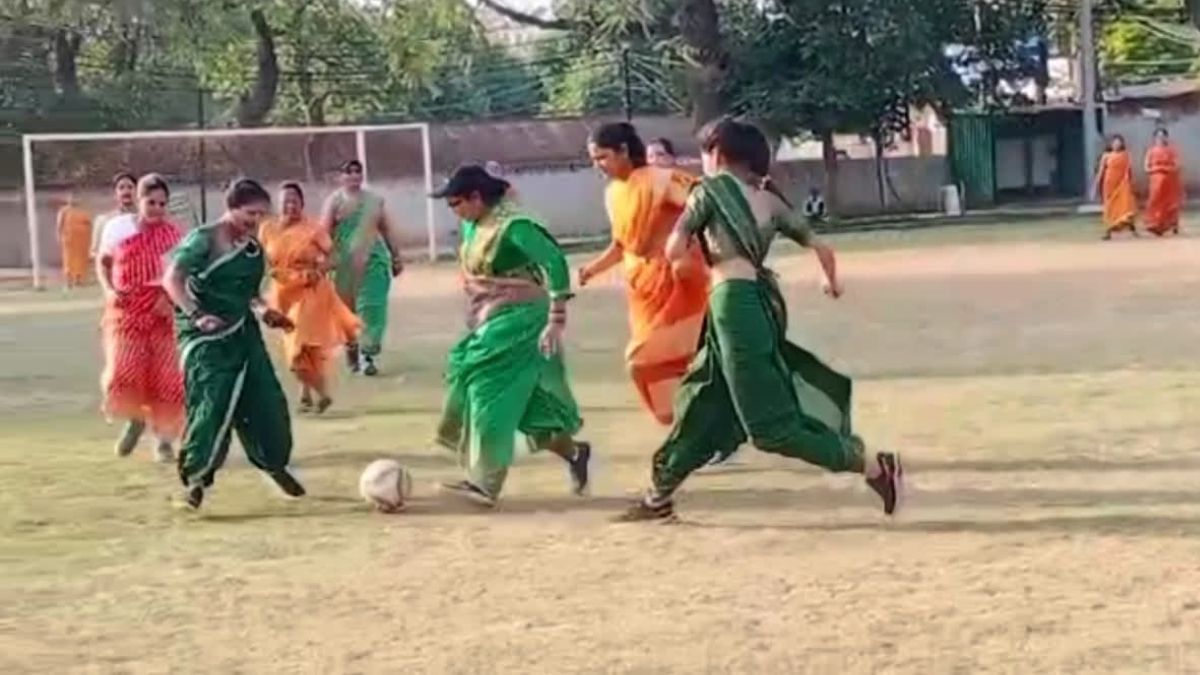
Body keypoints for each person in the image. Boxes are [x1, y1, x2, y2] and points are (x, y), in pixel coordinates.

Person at [616, 119, 903, 523]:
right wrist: (830, 283)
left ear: (716, 153)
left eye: (703, 153)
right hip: (754, 305)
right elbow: (823, 248)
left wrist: (683, 271)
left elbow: (674, 246)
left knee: (770, 429)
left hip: (732, 307)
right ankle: (658, 495)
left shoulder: (710, 191)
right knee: (707, 401)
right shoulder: (769, 200)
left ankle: (873, 465)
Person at [431, 165, 591, 508]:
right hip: (493, 315)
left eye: (456, 202)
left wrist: (556, 316)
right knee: (530, 408)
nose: (452, 210)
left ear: (476, 197)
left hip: (522, 319)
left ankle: (485, 482)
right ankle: (575, 453)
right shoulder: (473, 222)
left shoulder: (514, 226)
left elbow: (554, 261)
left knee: (486, 387)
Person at [163, 178, 304, 511]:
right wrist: (197, 314)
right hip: (206, 340)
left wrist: (266, 312)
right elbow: (173, 279)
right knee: (212, 409)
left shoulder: (253, 251)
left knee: (266, 403)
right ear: (231, 207)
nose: (254, 222)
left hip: (244, 334)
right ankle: (196, 482)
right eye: (249, 214)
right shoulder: (203, 240)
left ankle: (275, 465)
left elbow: (251, 296)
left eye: (260, 215)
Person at [581, 122, 710, 427]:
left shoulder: (662, 180)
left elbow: (708, 203)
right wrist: (593, 269)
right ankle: (695, 425)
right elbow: (623, 244)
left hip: (679, 284)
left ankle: (695, 425)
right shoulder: (613, 193)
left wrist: (691, 245)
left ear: (624, 151)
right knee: (668, 365)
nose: (598, 166)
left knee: (645, 361)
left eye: (602, 157)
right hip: (642, 292)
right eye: (594, 159)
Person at [95, 174, 185, 462]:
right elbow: (103, 262)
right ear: (138, 200)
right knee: (121, 376)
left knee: (167, 382)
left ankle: (163, 442)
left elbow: (181, 274)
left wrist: (168, 298)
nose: (157, 208)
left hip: (160, 315)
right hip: (125, 312)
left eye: (162, 203)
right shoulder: (117, 228)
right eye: (151, 202)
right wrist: (109, 290)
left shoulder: (173, 235)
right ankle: (135, 418)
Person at [260, 182, 361, 414]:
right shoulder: (267, 229)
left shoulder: (313, 229)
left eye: (295, 201)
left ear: (302, 204)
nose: (290, 205)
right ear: (278, 204)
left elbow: (335, 257)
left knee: (298, 344)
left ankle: (323, 394)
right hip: (282, 291)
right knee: (298, 344)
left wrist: (319, 270)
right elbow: (261, 258)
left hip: (309, 290)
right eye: (286, 201)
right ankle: (305, 393)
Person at [320, 159, 404, 377]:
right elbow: (323, 234)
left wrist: (396, 257)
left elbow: (386, 230)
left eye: (358, 172)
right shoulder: (334, 201)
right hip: (343, 266)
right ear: (341, 176)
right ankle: (352, 351)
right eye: (349, 172)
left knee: (371, 309)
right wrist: (321, 261)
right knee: (347, 314)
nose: (354, 176)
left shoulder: (374, 201)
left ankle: (367, 355)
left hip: (372, 262)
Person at [1094, 134, 1139, 240]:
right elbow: (1101, 171)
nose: (1117, 144)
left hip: (1122, 184)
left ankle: (1132, 229)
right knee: (1109, 208)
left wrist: (1129, 182)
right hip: (1109, 184)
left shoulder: (1125, 154)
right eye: (1114, 142)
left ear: (1122, 144)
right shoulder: (1106, 155)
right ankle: (1108, 232)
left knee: (1126, 206)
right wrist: (1096, 185)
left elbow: (1128, 170)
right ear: (1111, 144)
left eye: (1119, 142)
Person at [1144, 128, 1184, 237]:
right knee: (1155, 201)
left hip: (1169, 180)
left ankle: (1171, 224)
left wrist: (1166, 169)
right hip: (1156, 180)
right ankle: (1155, 225)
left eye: (1162, 136)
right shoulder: (1151, 151)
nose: (1160, 138)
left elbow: (1177, 165)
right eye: (1158, 136)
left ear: (1166, 137)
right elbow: (1146, 168)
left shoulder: (1171, 150)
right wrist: (1157, 169)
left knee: (1169, 203)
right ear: (1154, 138)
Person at [91, 172, 138, 259]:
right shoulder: (103, 220)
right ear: (115, 194)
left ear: (137, 192)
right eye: (121, 188)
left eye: (130, 187)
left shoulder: (145, 219)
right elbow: (95, 252)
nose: (126, 191)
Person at [56, 192, 93, 288]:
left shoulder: (83, 211)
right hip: (69, 240)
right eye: (71, 198)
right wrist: (59, 236)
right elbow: (59, 225)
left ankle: (79, 280)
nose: (73, 200)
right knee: (69, 261)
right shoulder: (64, 211)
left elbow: (89, 224)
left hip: (82, 242)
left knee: (81, 261)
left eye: (76, 198)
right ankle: (68, 281)